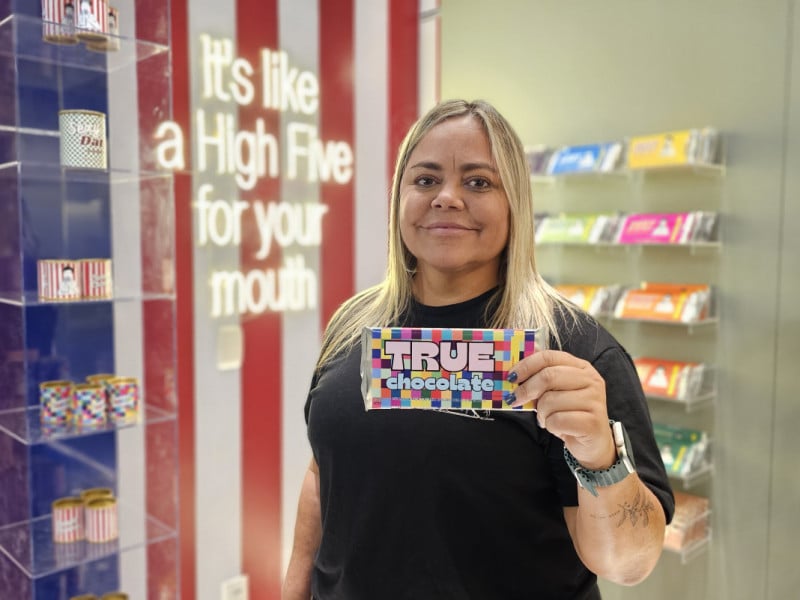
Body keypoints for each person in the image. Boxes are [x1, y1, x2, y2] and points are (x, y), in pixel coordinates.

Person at [283, 99, 674, 599]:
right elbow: (323, 474)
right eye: (426, 179)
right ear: (399, 197)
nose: (447, 197)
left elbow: (630, 563)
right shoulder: (351, 325)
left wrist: (601, 458)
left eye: (478, 182)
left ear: (515, 204)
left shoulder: (574, 351)